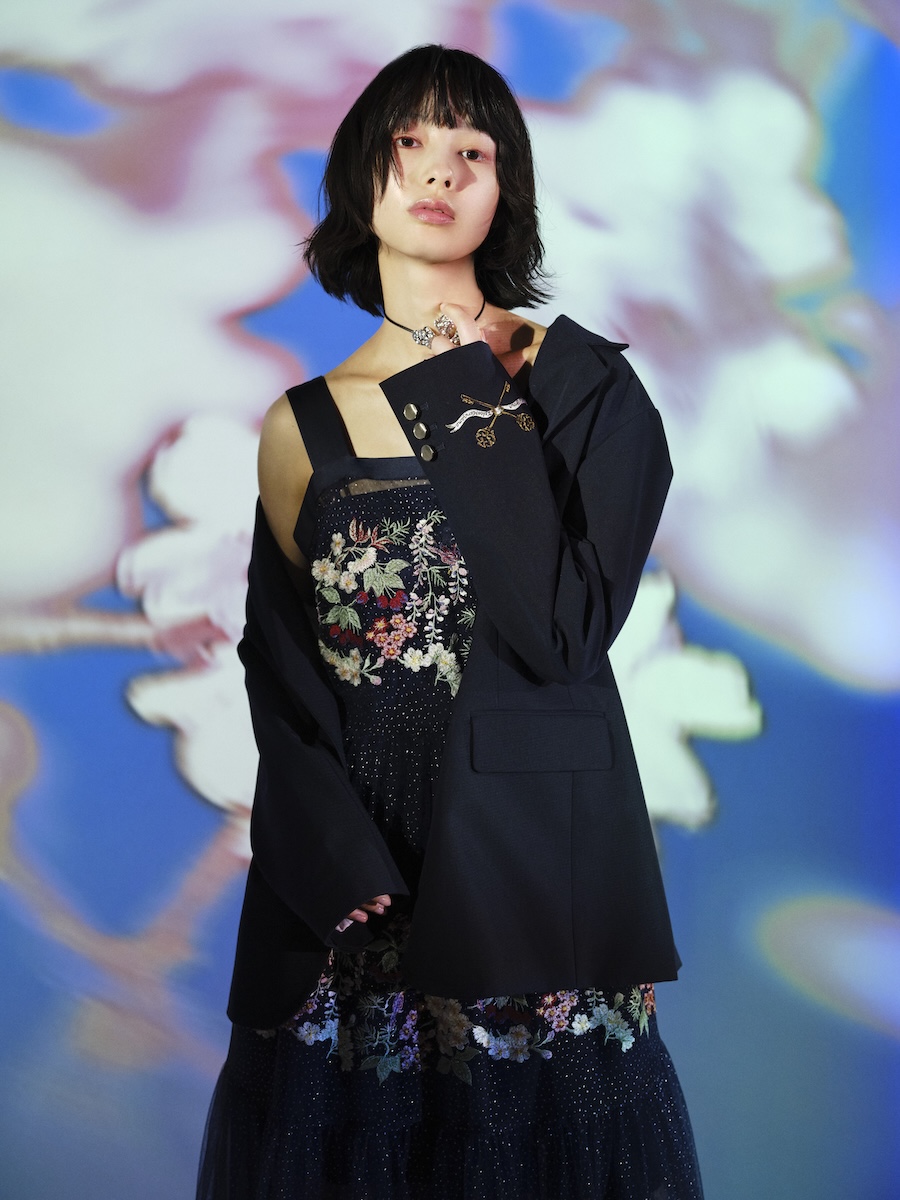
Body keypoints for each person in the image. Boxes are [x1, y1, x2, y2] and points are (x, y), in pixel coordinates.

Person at [197, 43, 703, 1200]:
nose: (438, 170)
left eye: (472, 150)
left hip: (529, 874)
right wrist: (332, 854)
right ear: (361, 177)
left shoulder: (586, 391)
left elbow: (564, 631)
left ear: (505, 191)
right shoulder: (301, 424)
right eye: (408, 142)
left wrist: (462, 388)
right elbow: (283, 672)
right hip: (359, 886)